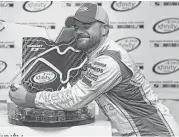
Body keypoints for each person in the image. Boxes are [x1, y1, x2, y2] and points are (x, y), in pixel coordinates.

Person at [9, 3, 179, 136]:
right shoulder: (92, 54)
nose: (79, 31)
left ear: (105, 29)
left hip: (154, 132)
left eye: (87, 26)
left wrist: (28, 98)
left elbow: (75, 98)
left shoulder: (108, 60)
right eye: (76, 27)